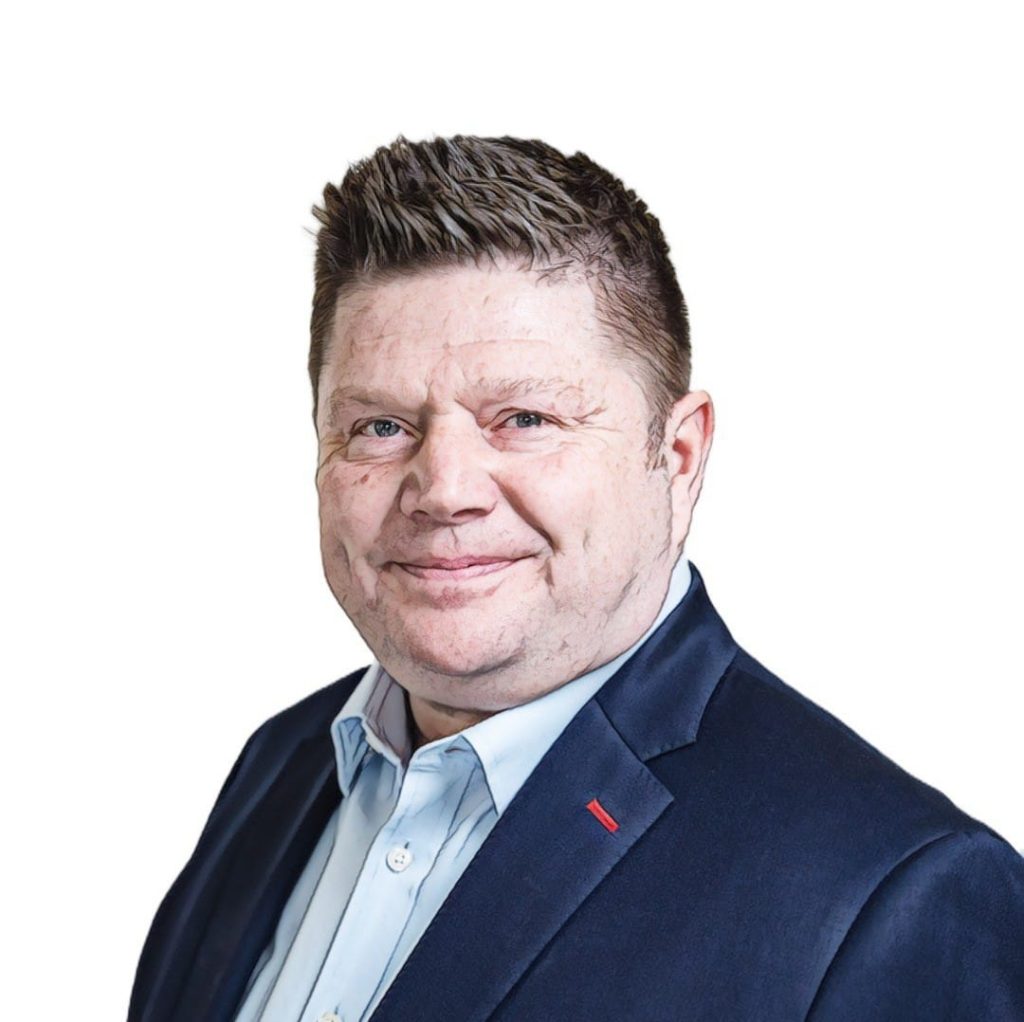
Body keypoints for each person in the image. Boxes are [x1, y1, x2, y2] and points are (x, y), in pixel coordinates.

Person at [129, 135, 1024, 1022]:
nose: (444, 489)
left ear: (678, 456)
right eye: (379, 427)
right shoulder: (280, 766)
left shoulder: (893, 896)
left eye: (524, 418)